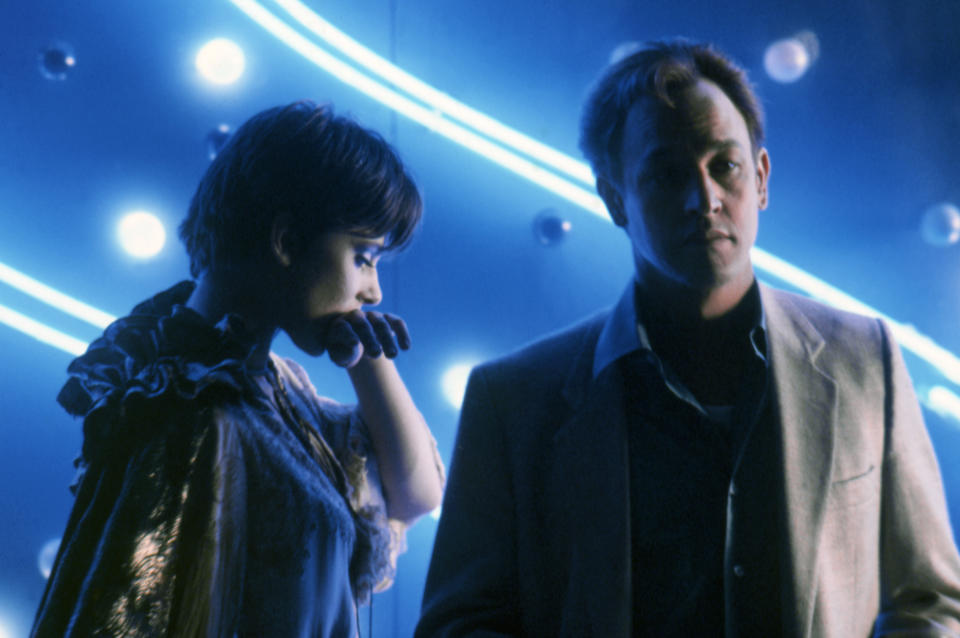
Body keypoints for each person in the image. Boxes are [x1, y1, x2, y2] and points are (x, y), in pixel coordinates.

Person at [416, 40, 960, 637]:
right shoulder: (514, 400)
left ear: (761, 178)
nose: (703, 199)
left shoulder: (865, 361)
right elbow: (458, 625)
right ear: (615, 199)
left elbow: (931, 600)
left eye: (723, 165)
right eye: (666, 173)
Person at [32, 101, 445, 637]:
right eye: (363, 258)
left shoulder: (276, 391)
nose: (374, 291)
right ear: (287, 242)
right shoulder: (182, 408)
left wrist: (366, 359)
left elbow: (416, 493)